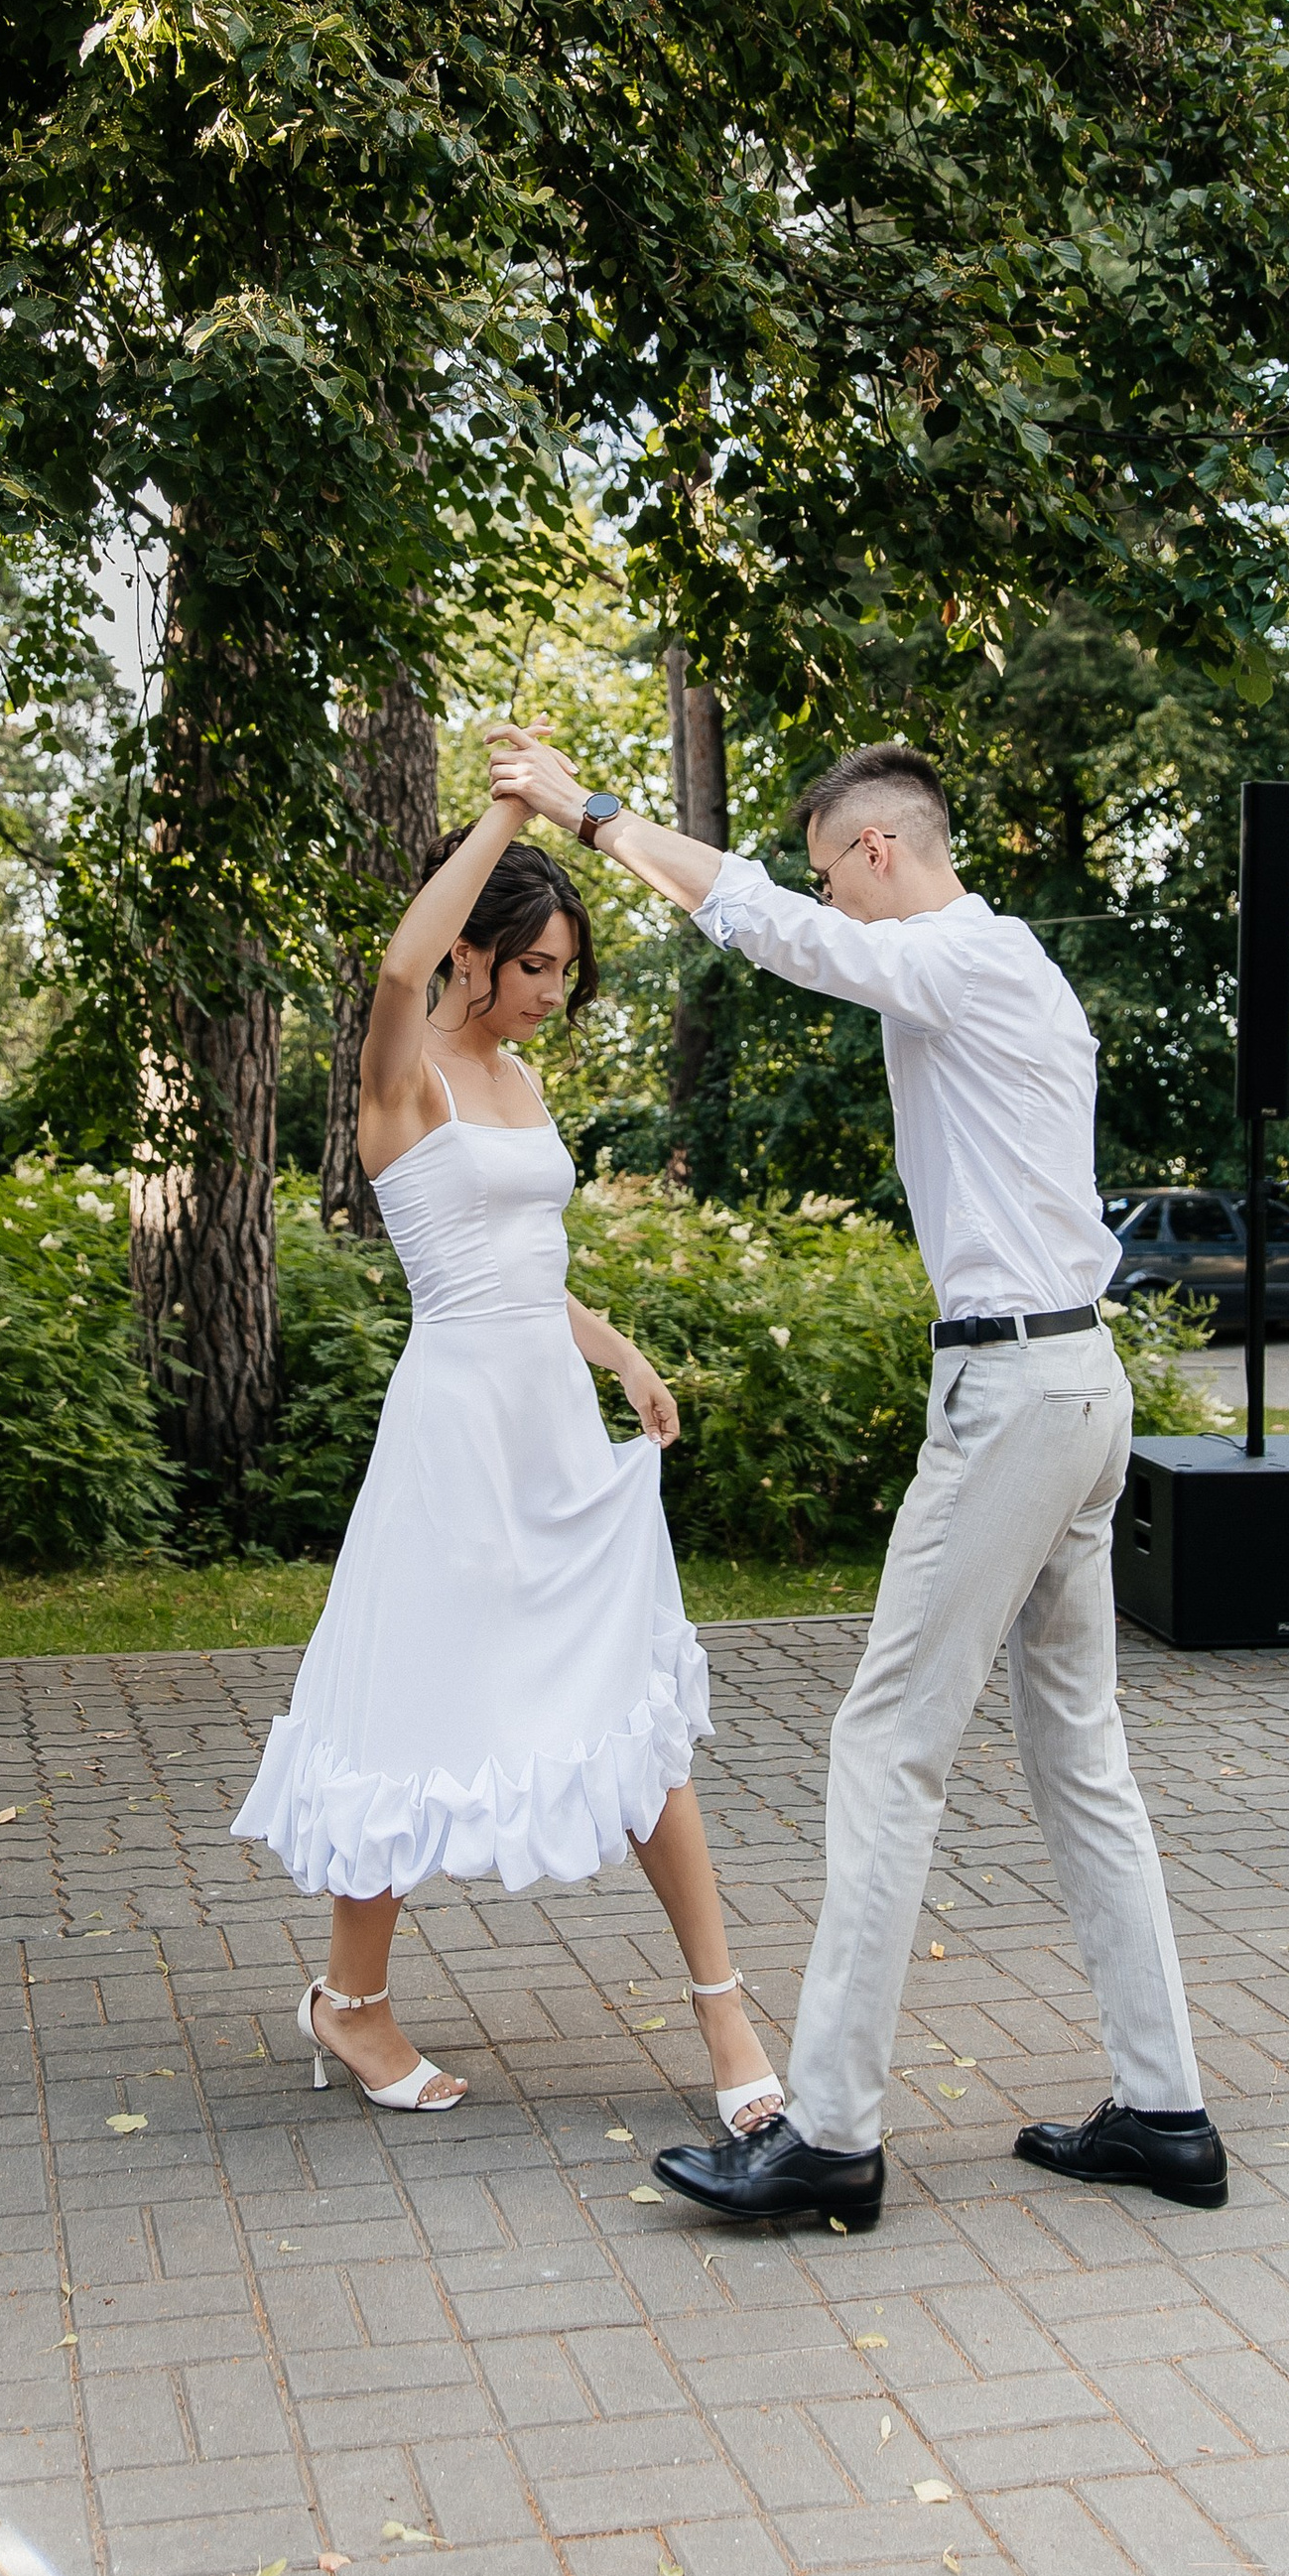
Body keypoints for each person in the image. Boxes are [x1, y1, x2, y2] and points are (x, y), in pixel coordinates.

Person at [486, 726, 1225, 2226]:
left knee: (885, 1744)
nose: (834, 897)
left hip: (1021, 1394)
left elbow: (771, 924)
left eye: (839, 868)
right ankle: (1165, 2114)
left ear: (880, 850)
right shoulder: (999, 971)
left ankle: (828, 2134)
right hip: (1068, 1383)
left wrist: (593, 812)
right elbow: (797, 924)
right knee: (1080, 1761)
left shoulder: (965, 954)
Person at [229, 793, 786, 2132]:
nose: (554, 991)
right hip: (456, 1440)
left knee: (637, 1711)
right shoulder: (401, 1073)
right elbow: (396, 968)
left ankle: (727, 2019)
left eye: (566, 971)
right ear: (475, 951)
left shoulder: (523, 1081)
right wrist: (504, 814)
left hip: (552, 1432)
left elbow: (531, 1273)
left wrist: (622, 1355)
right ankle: (351, 2007)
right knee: (411, 1717)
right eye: (534, 963)